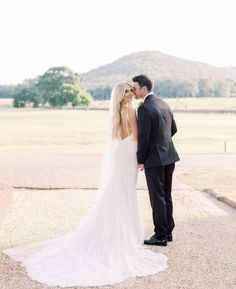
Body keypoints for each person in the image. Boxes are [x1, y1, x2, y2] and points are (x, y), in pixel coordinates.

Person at [3, 82, 167, 287]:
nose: (131, 94)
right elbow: (136, 138)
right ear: (121, 95)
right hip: (128, 156)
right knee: (125, 193)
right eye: (127, 92)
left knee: (118, 192)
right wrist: (141, 157)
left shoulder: (117, 112)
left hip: (120, 155)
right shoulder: (131, 111)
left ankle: (117, 231)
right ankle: (124, 234)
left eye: (131, 90)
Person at [132, 75, 180, 247]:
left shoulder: (144, 108)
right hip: (170, 156)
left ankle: (160, 235)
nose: (133, 91)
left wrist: (141, 159)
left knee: (157, 197)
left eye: (135, 88)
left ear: (144, 88)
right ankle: (168, 232)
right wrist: (162, 144)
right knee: (166, 195)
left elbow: (144, 138)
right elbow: (173, 129)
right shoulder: (164, 103)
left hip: (155, 159)